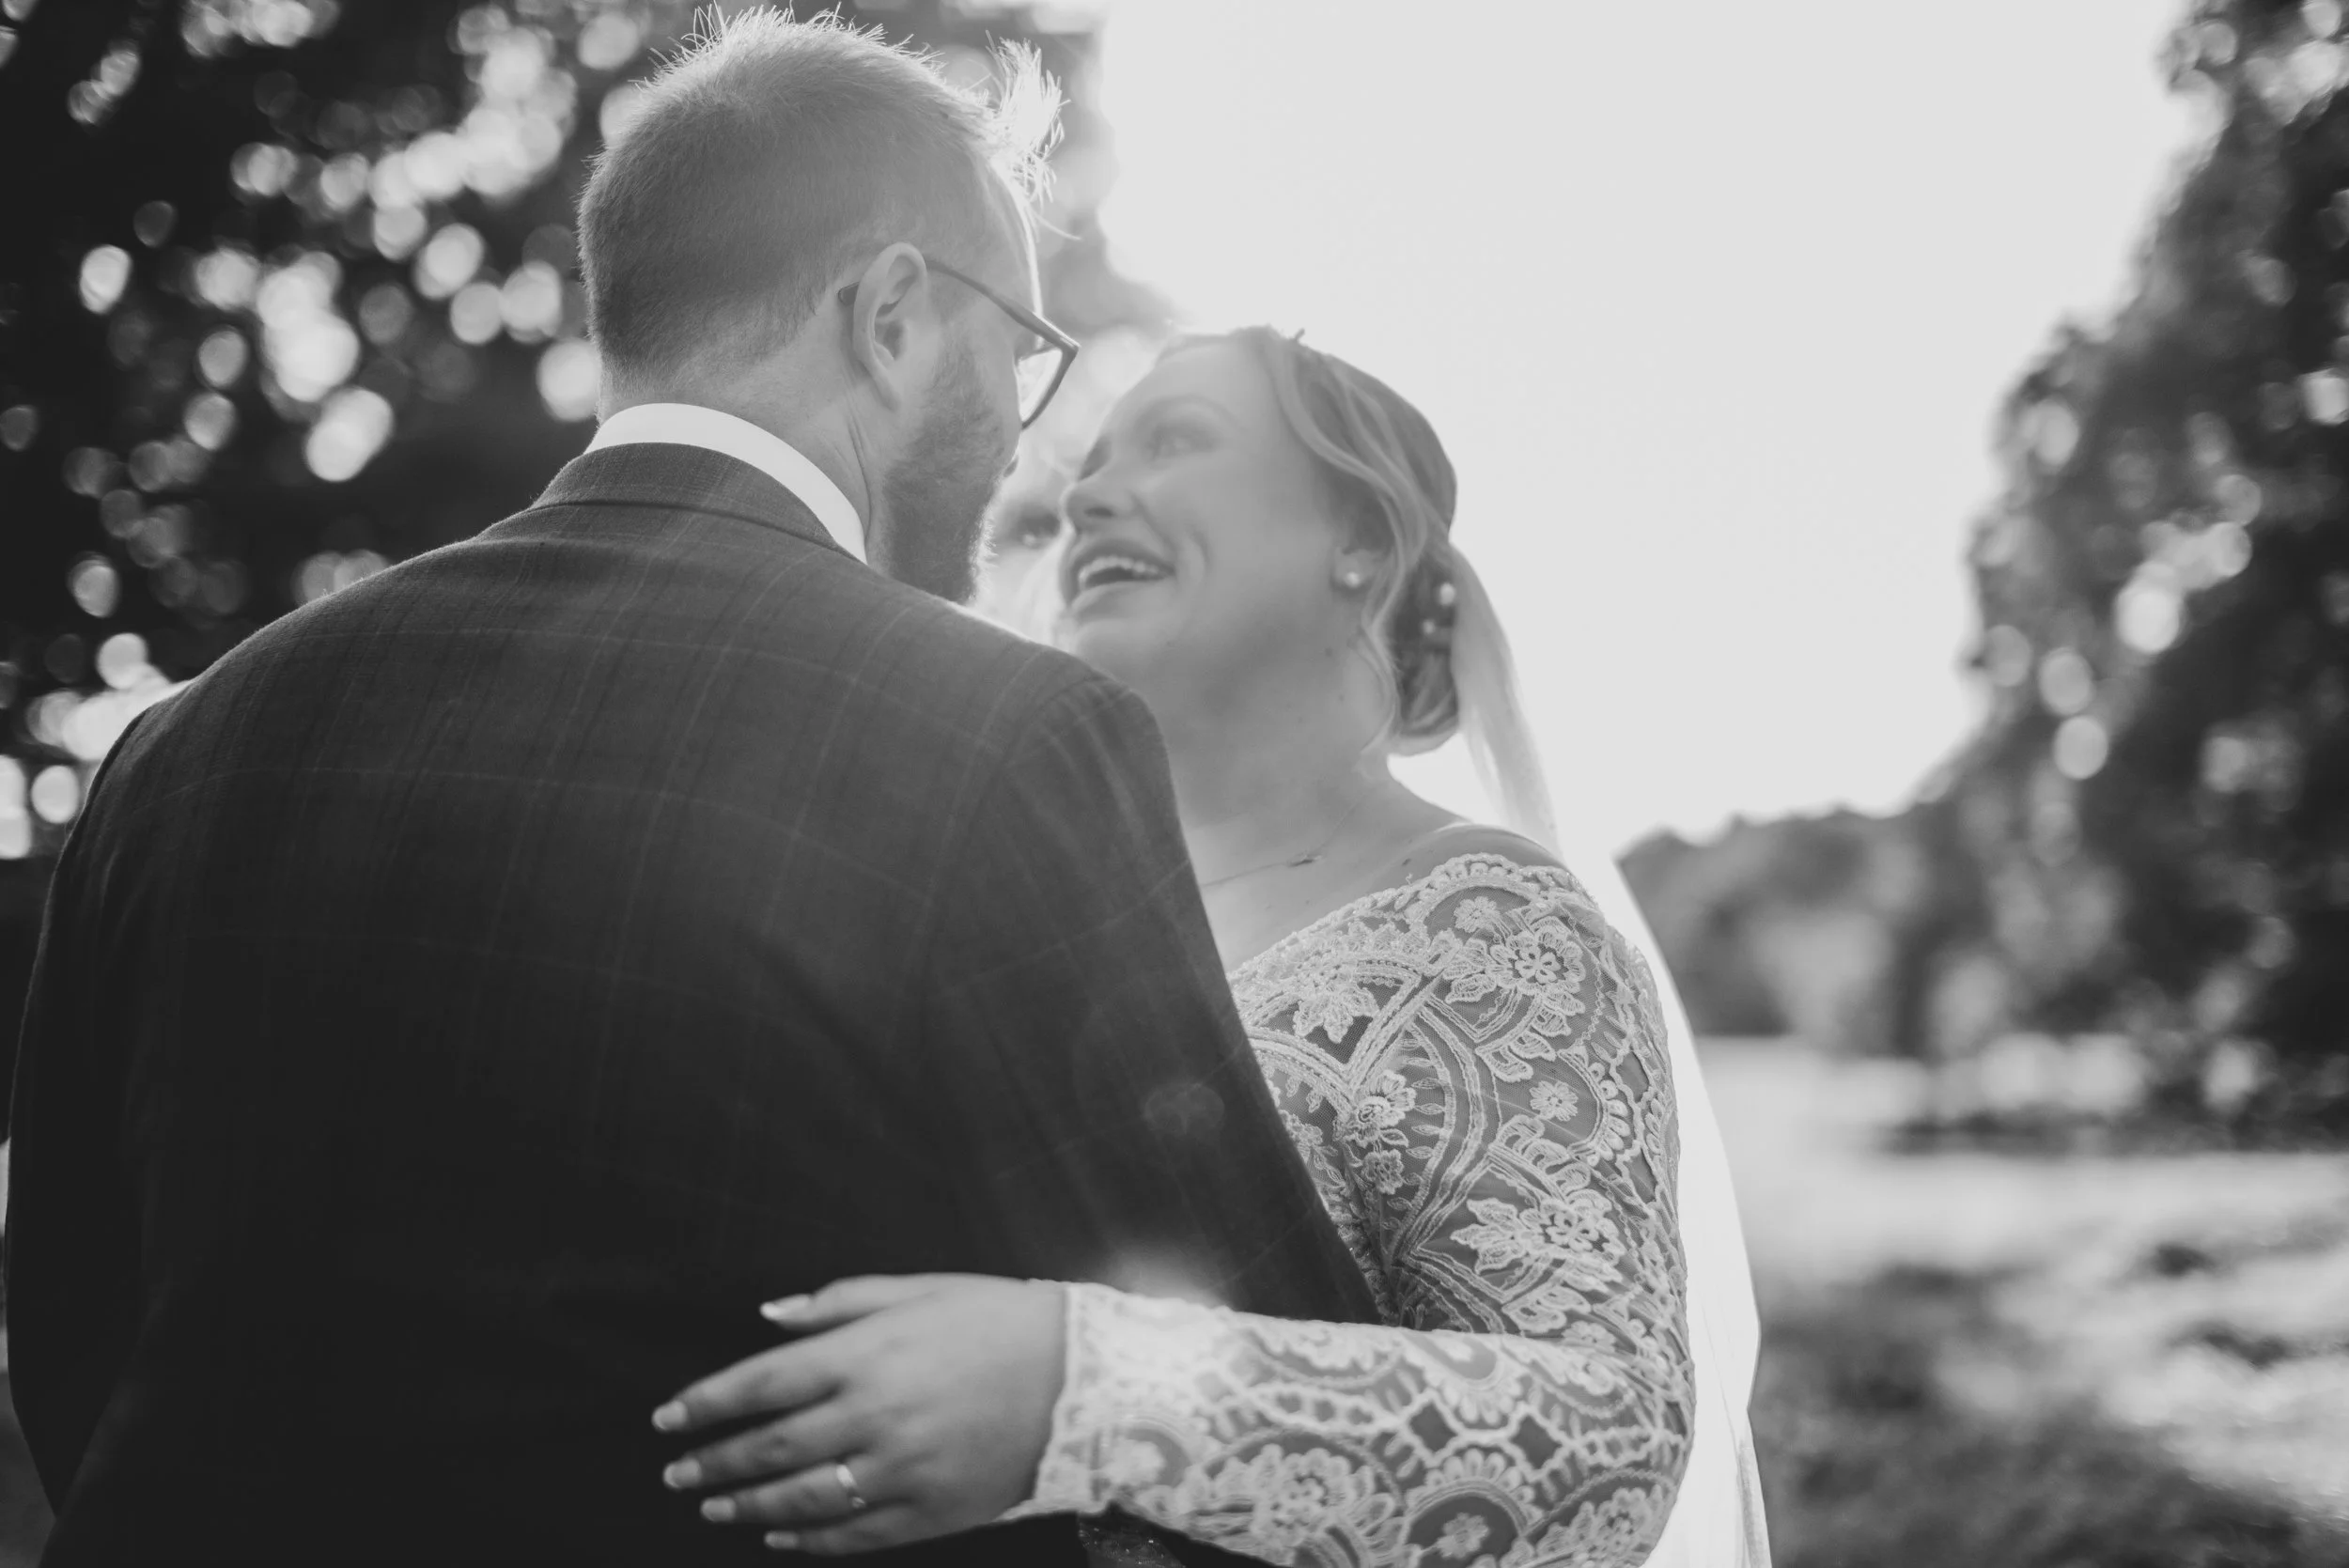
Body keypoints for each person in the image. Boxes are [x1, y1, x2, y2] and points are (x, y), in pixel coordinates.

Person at [4, 20, 1379, 1565]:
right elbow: (1264, 1386)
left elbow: (72, 1332)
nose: (1022, 440)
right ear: (897, 316)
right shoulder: (1002, 733)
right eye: (1024, 356)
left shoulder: (178, 746)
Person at [653, 331, 1772, 1566]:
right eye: (1094, 459)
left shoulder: (1484, 927)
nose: (1079, 493)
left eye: (1180, 439)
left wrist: (1079, 1397)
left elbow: (1608, 1442)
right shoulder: (1010, 910)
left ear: (1363, 545)